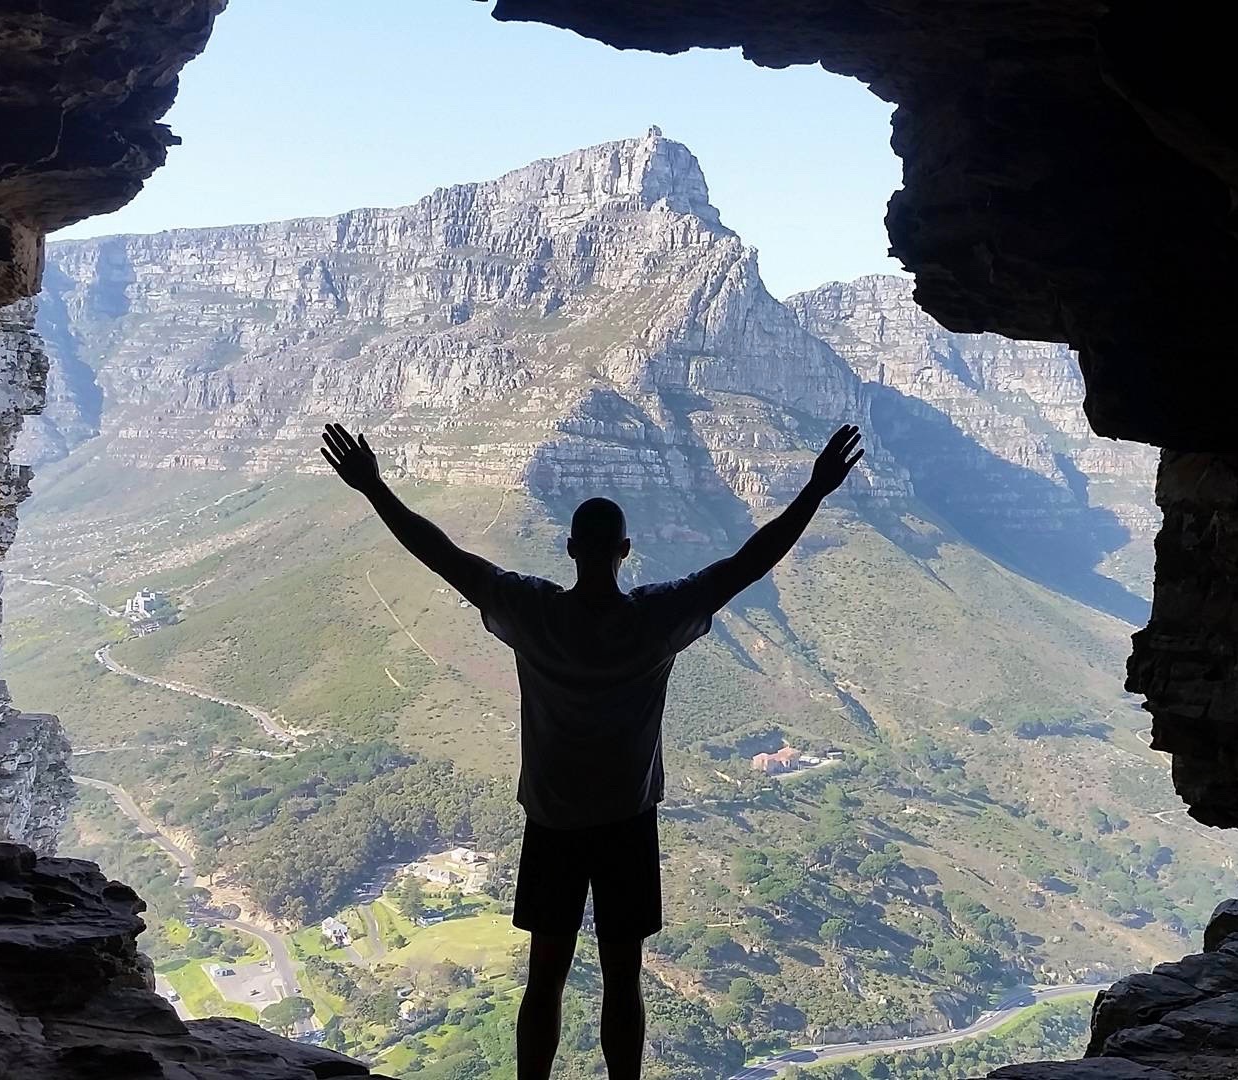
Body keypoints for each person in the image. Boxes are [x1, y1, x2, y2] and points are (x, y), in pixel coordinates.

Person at [320, 421, 864, 1080]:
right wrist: (814, 491)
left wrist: (374, 488)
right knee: (622, 978)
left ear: (571, 548)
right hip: (627, 826)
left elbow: (442, 554)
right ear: (625, 551)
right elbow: (748, 562)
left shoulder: (532, 611)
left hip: (551, 824)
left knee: (543, 978)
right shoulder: (656, 618)